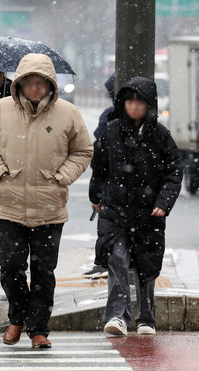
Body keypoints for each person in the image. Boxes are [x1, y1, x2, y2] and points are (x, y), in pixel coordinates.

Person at [0, 54, 93, 348]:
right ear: (20, 84)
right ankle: (18, 318)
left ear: (50, 84)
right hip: (9, 205)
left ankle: (38, 328)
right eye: (29, 82)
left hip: (50, 207)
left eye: (41, 82)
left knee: (43, 272)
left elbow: (83, 151)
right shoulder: (0, 109)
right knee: (11, 266)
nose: (35, 88)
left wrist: (62, 175)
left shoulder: (68, 113)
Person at [89, 76, 182, 337]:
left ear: (149, 104)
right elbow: (100, 167)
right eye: (129, 101)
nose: (134, 106)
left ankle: (146, 318)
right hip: (114, 209)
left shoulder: (161, 135)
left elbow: (174, 173)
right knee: (116, 259)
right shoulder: (112, 131)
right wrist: (96, 197)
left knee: (147, 265)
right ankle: (118, 316)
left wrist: (163, 203)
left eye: (139, 101)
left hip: (149, 213)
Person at [84, 73, 116, 280]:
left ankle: (104, 262)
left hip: (111, 183)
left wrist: (96, 193)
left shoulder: (109, 115)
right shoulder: (111, 115)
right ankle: (105, 262)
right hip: (113, 183)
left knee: (106, 227)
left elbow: (98, 153)